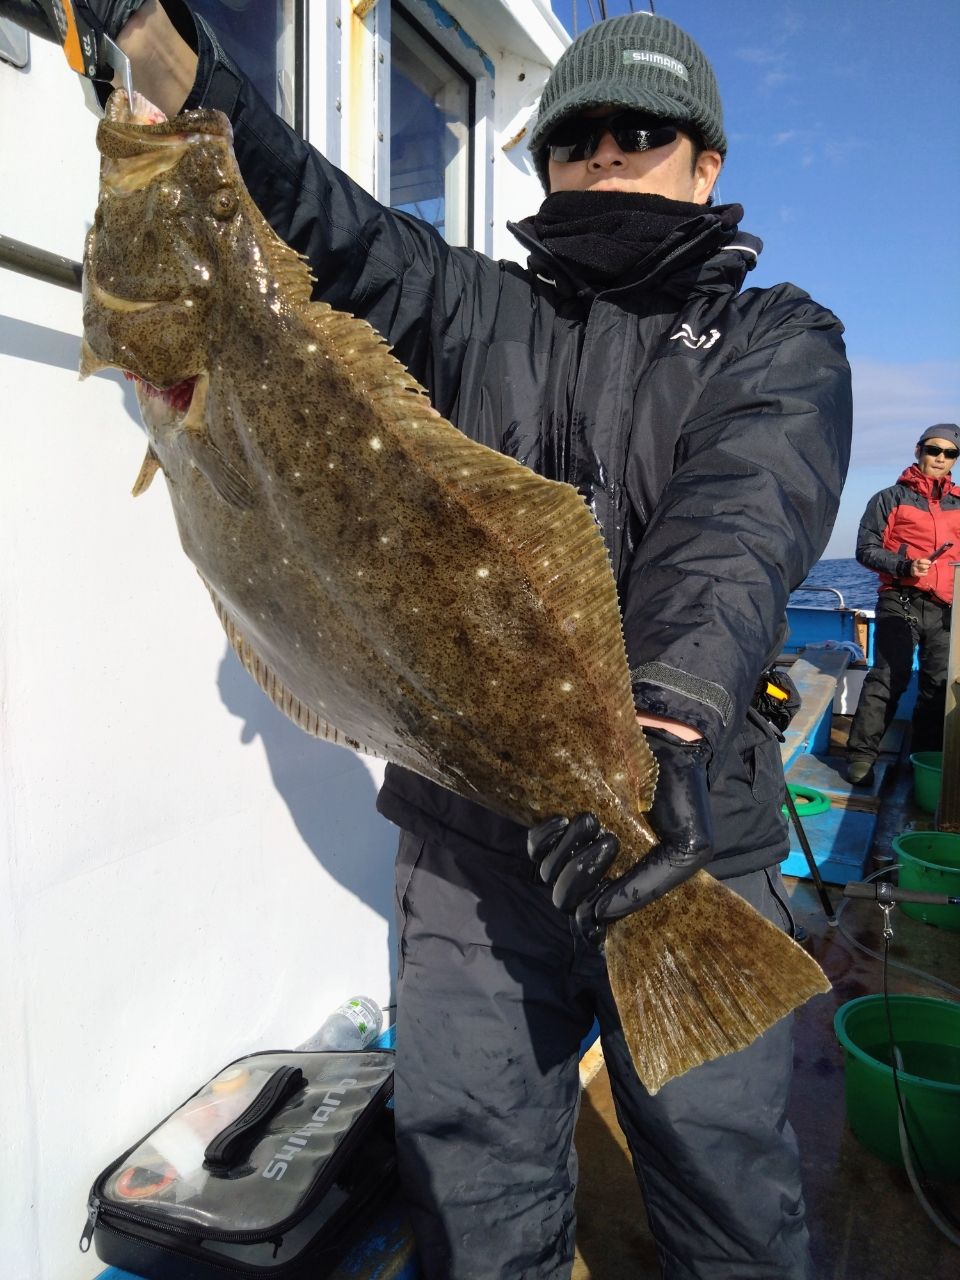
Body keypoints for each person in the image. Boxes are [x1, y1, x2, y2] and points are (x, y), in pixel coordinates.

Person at [50, 3, 852, 1275]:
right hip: (475, 851)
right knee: (468, 1165)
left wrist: (666, 731)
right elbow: (326, 219)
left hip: (682, 834)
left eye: (641, 132)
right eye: (577, 135)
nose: (604, 155)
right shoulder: (472, 306)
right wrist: (157, 44)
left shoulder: (778, 339)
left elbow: (739, 528)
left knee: (725, 1175)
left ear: (707, 165)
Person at [846, 424, 960, 787]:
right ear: (918, 450)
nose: (940, 458)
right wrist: (905, 566)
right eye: (933, 449)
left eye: (950, 453)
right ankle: (862, 758)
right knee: (887, 677)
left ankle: (925, 761)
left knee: (938, 687)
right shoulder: (889, 498)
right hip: (900, 600)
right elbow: (865, 549)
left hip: (947, 610)